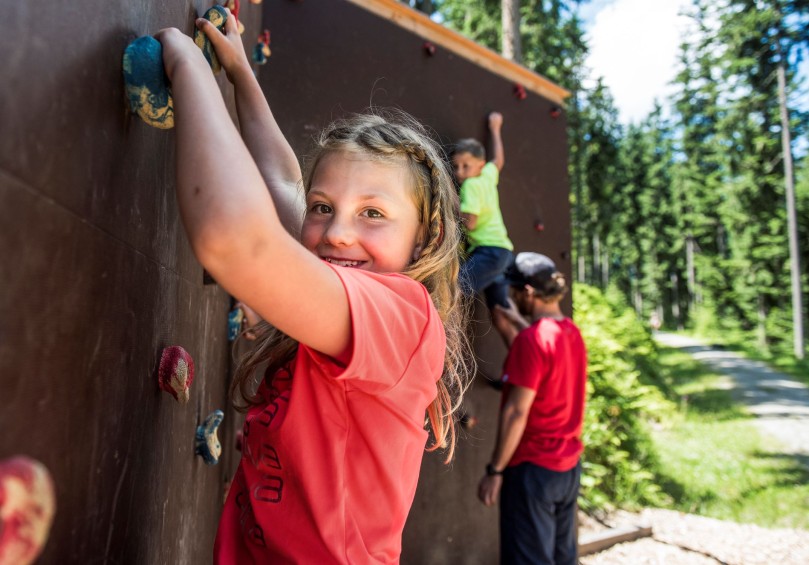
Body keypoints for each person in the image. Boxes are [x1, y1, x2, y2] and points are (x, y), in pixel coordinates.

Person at [154, 11, 471, 563]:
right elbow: (282, 181)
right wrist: (236, 72)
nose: (338, 232)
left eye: (373, 212)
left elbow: (234, 242)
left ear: (427, 236)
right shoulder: (347, 280)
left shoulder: (403, 313)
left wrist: (188, 70)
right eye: (325, 208)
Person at [477, 253, 587, 565]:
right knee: (561, 557)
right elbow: (541, 368)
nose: (510, 297)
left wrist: (495, 470)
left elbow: (516, 413)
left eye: (513, 292)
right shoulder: (570, 333)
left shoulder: (531, 341)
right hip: (566, 469)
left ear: (527, 293)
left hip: (531, 471)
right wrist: (512, 326)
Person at [453, 112, 514, 309]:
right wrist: (495, 129)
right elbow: (498, 161)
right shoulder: (486, 175)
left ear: (480, 164)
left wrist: (452, 207)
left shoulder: (470, 185)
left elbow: (470, 224)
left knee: (453, 289)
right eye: (456, 166)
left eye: (465, 166)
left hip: (488, 252)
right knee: (501, 311)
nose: (459, 172)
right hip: (503, 252)